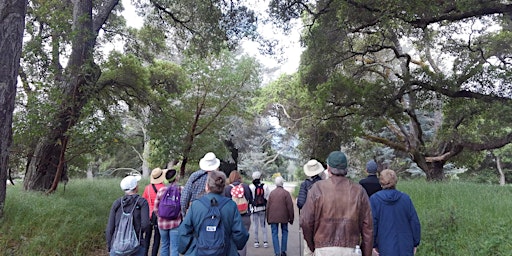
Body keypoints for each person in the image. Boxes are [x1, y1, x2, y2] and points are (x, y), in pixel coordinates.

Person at [300, 150, 373, 256]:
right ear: (346, 169)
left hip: (323, 249)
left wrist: (313, 246)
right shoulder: (358, 191)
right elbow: (368, 227)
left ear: (328, 168)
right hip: (351, 249)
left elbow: (305, 221)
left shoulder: (317, 189)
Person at [177, 170, 249, 255]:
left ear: (207, 186)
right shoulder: (231, 205)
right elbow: (240, 233)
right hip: (226, 251)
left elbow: (183, 231)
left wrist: (186, 249)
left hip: (199, 251)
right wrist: (234, 246)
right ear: (224, 187)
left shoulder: (196, 205)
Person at [369, 169, 421, 256]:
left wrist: (373, 244)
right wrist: (415, 243)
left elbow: (372, 224)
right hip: (405, 245)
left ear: (381, 181)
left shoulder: (374, 199)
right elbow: (414, 222)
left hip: (384, 246)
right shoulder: (405, 199)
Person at [106, 175, 150, 256]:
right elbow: (146, 224)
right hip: (137, 245)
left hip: (117, 246)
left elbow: (110, 227)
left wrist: (109, 246)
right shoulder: (142, 202)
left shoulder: (117, 203)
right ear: (135, 187)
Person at [297, 159, 325, 256]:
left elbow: (300, 203)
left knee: (308, 248)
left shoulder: (304, 185)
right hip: (322, 220)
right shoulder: (324, 184)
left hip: (308, 219)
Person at [180, 152, 220, 216]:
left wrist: (184, 214)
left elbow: (184, 197)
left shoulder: (194, 177)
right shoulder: (218, 178)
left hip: (195, 210)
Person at [223, 170, 253, 256]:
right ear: (240, 177)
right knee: (242, 242)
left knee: (231, 240)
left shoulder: (227, 189)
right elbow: (251, 201)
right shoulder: (246, 187)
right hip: (245, 217)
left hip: (232, 219)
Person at [154, 169, 181, 256]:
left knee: (165, 245)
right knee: (174, 247)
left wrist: (160, 216)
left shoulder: (161, 190)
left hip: (162, 223)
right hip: (175, 223)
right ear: (176, 178)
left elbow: (155, 208)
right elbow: (184, 205)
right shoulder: (180, 189)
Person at [266, 176, 294, 256]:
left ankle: (277, 252)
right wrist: (291, 218)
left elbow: (268, 207)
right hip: (284, 217)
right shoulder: (286, 193)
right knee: (284, 232)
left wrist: (268, 218)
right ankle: (283, 251)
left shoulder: (272, 193)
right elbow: (290, 207)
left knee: (274, 233)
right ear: (282, 183)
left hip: (273, 217)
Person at [142, 167, 167, 256]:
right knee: (157, 237)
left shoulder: (147, 188)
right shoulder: (164, 188)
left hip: (148, 214)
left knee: (147, 237)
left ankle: (144, 254)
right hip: (159, 215)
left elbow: (144, 201)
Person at [248, 171, 270, 249]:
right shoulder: (265, 186)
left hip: (254, 209)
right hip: (263, 208)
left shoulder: (251, 186)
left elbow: (250, 198)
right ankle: (265, 241)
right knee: (263, 225)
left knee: (255, 225)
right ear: (260, 177)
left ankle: (256, 242)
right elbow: (267, 197)